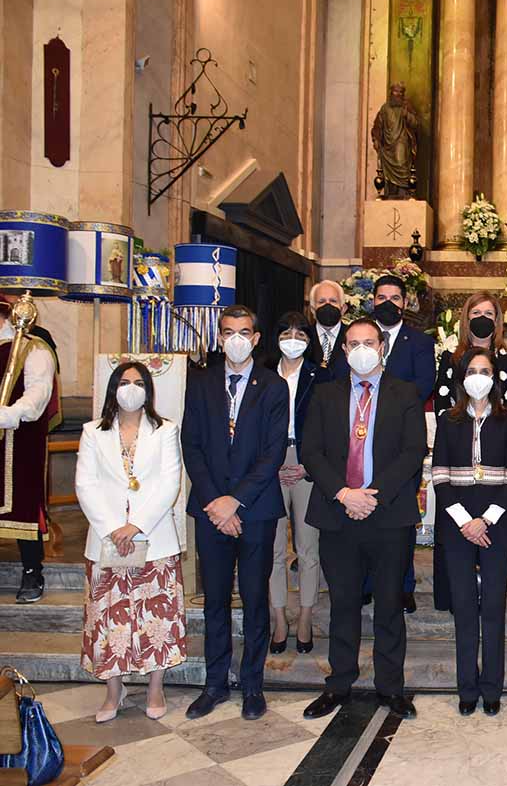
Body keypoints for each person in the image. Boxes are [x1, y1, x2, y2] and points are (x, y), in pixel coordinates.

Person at [300, 318, 428, 721]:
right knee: (342, 604)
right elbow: (311, 451)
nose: (361, 349)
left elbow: (413, 451)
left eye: (368, 342)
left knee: (390, 604)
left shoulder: (405, 393)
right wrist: (343, 493)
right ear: (343, 351)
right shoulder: (324, 394)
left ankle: (391, 688)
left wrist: (373, 495)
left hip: (388, 514)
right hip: (338, 512)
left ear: (382, 347)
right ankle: (338, 684)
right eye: (353, 343)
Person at [181, 305, 289, 721]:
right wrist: (216, 502)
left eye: (245, 331)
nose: (237, 339)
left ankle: (252, 685)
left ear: (257, 338)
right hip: (211, 510)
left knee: (256, 599)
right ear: (219, 338)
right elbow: (192, 445)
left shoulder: (273, 387)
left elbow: (272, 452)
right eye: (229, 332)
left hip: (256, 510)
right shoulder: (201, 382)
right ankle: (214, 684)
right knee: (215, 602)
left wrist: (236, 500)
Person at [76, 362, 185, 723]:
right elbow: (85, 485)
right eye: (124, 382)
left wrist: (135, 525)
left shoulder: (165, 430)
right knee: (109, 619)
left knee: (157, 619)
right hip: (107, 540)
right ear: (113, 389)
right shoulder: (93, 431)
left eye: (138, 383)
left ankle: (156, 687)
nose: (131, 388)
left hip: (153, 537)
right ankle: (113, 690)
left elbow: (170, 483)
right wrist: (113, 527)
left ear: (148, 390)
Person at [430, 348, 507, 716]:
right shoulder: (448, 421)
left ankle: (492, 687)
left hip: (495, 525)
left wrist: (485, 519)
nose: (479, 376)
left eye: (485, 370)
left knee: (494, 607)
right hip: (457, 527)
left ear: (495, 377)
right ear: (462, 376)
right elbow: (439, 474)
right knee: (465, 607)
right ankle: (467, 687)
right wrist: (463, 521)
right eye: (472, 370)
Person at [336, 273, 433, 612]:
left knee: (398, 524)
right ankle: (362, 584)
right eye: (382, 297)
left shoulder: (419, 342)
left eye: (395, 297)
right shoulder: (351, 340)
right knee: (357, 528)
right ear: (372, 300)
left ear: (405, 303)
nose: (388, 303)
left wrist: (392, 410)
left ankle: (402, 586)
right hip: (355, 442)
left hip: (398, 439)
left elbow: (423, 384)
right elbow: (338, 384)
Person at [266, 312, 322, 656]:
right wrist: (269, 466)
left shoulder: (321, 377)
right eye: (286, 333)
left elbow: (327, 428)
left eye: (300, 334)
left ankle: (303, 616)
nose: (293, 339)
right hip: (269, 467)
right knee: (273, 549)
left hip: (306, 464)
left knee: (307, 547)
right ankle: (279, 619)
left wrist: (307, 465)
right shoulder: (263, 376)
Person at [0, 301, 61, 605]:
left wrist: (9, 414)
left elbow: (38, 393)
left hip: (16, 437)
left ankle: (32, 570)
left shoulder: (32, 348)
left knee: (21, 501)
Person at [433, 292, 507, 416]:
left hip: (498, 431)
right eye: (476, 313)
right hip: (458, 429)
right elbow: (441, 401)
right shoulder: (450, 356)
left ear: (496, 320)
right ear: (467, 318)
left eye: (488, 313)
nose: (482, 318)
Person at [309, 279, 348, 371]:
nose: (327, 305)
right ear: (313, 309)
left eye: (333, 301)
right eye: (321, 301)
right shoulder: (304, 336)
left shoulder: (353, 337)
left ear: (343, 309)